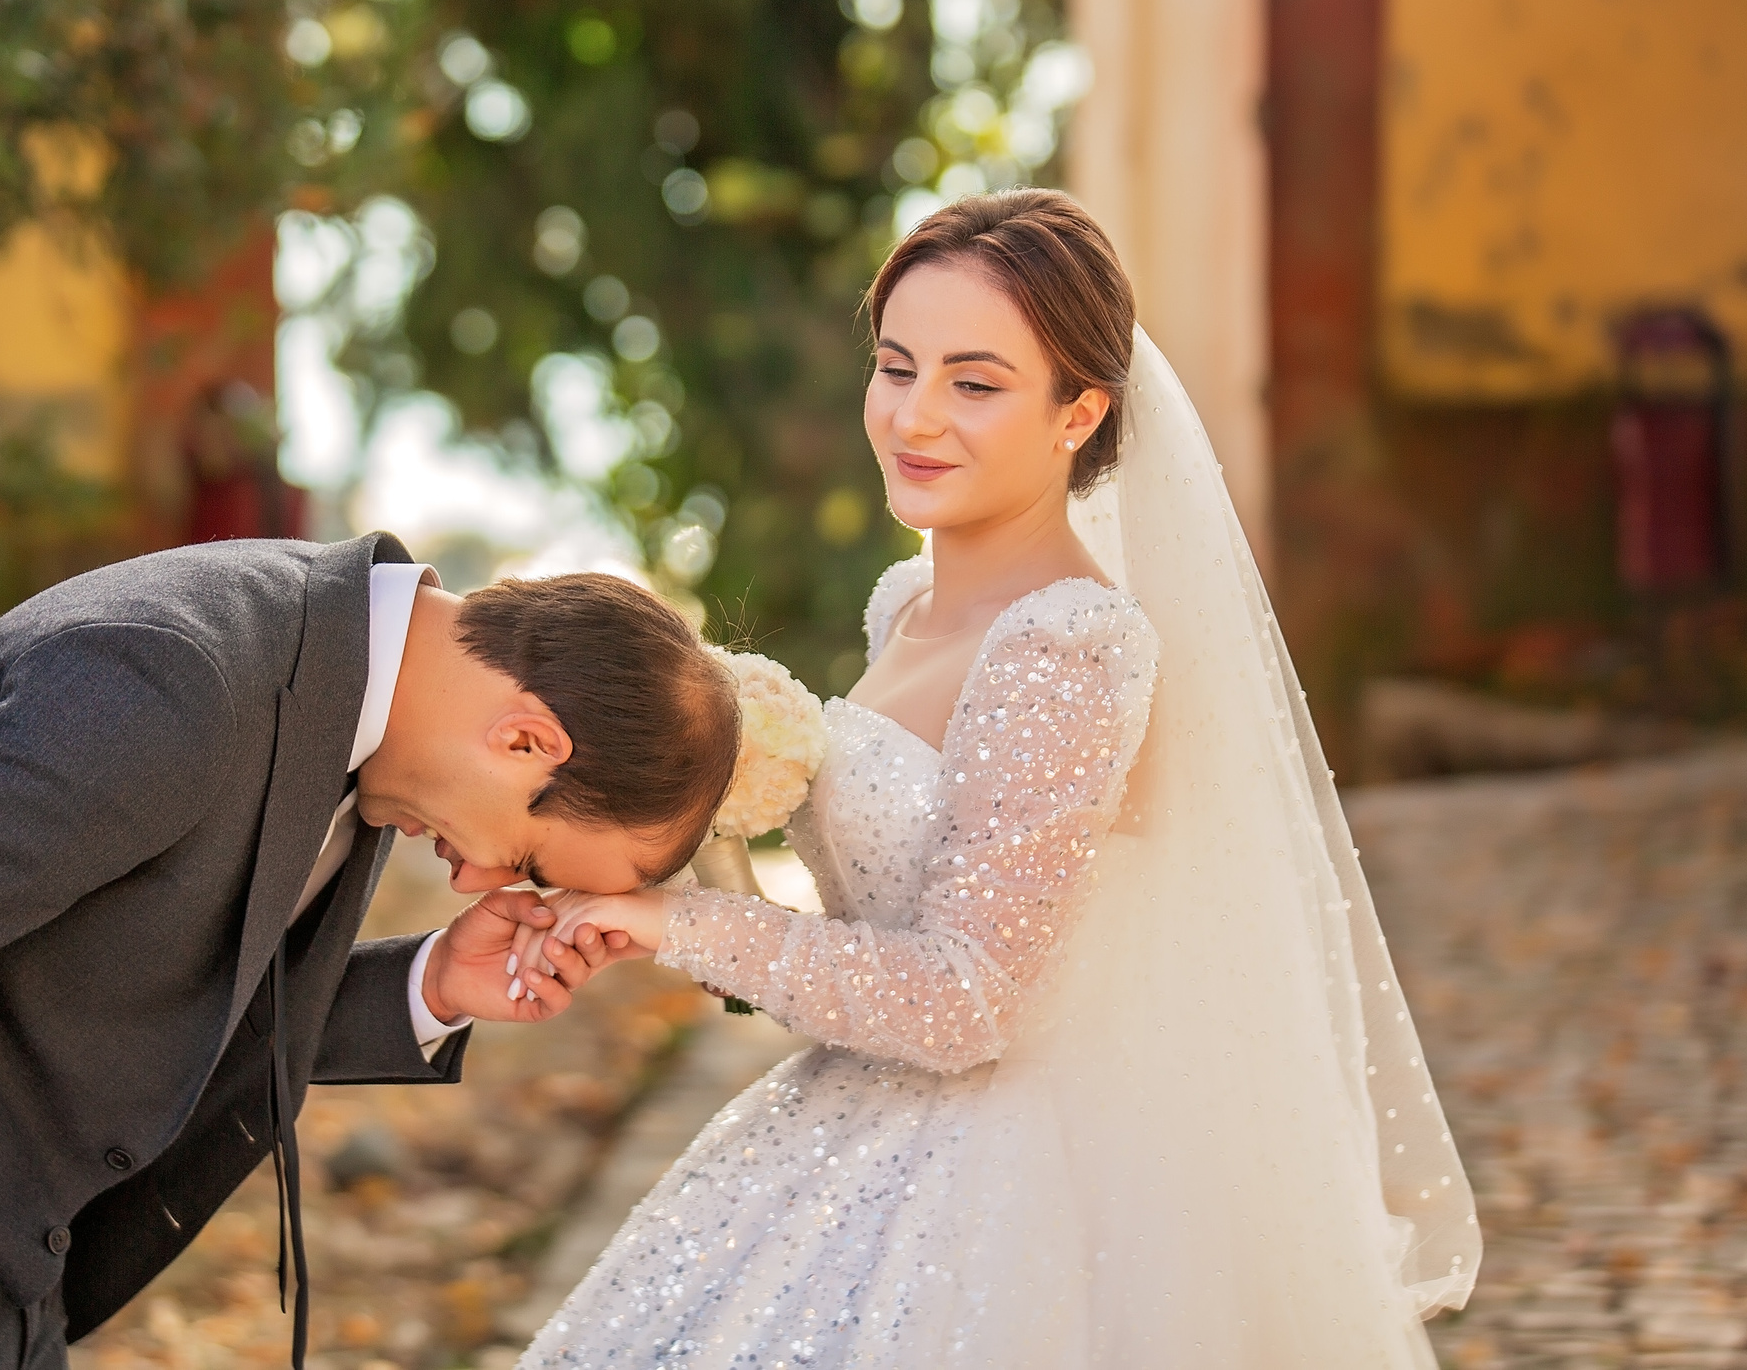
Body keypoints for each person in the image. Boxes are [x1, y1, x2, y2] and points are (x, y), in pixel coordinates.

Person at [516, 190, 1481, 1366]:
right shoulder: (906, 607)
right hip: (855, 1124)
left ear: (1079, 412)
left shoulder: (1062, 650)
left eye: (974, 384)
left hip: (999, 1191)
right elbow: (884, 919)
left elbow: (967, 998)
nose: (913, 416)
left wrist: (679, 925)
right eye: (894, 367)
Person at [0, 536, 739, 1370]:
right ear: (528, 737)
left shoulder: (350, 703)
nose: (484, 882)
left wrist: (434, 983)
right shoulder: (183, 679)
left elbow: (189, 990)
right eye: (528, 855)